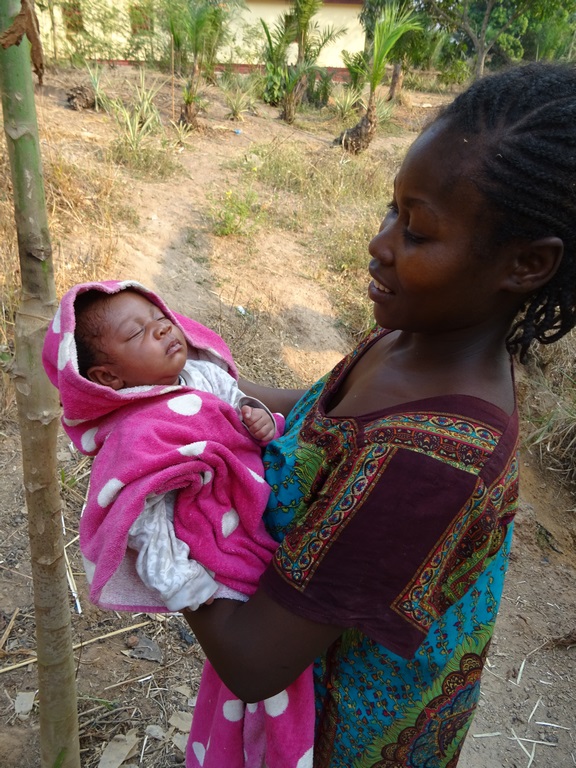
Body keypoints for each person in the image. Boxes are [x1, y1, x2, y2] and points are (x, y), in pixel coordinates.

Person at [180, 61, 576, 768]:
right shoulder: (411, 340)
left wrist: (156, 498)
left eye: (416, 232)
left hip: (339, 743)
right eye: (392, 210)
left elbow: (252, 660)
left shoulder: (429, 464)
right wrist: (195, 384)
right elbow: (313, 419)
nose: (381, 243)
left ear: (526, 265)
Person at [42, 280, 316, 768]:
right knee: (269, 660)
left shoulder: (202, 374)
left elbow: (242, 407)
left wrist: (259, 421)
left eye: (160, 318)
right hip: (215, 541)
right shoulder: (137, 431)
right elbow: (141, 520)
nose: (163, 329)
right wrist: (182, 582)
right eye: (138, 333)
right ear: (108, 377)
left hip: (257, 504)